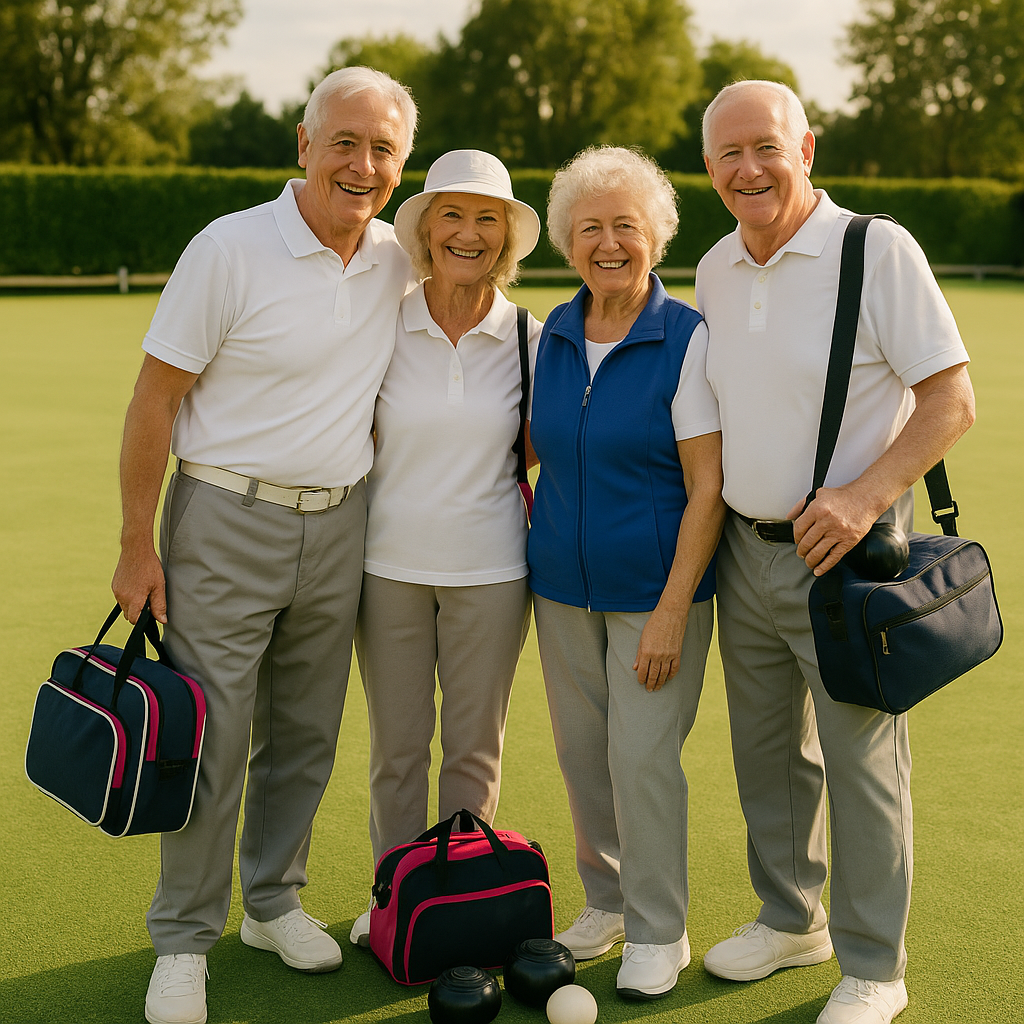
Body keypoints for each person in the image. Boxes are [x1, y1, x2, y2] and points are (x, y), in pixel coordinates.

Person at [110, 66, 417, 1024]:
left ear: (400, 164)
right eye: (345, 142)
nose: (362, 165)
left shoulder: (398, 257)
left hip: (341, 524)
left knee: (308, 735)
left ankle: (272, 901)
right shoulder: (229, 248)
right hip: (223, 520)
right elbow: (154, 399)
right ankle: (183, 938)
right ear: (304, 143)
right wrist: (135, 542)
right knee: (213, 740)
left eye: (383, 150)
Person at [696, 80, 975, 1024]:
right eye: (729, 154)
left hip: (847, 561)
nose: (750, 169)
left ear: (806, 147)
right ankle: (789, 920)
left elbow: (950, 398)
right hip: (744, 551)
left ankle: (873, 968)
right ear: (709, 170)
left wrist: (863, 496)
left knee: (861, 764)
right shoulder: (715, 268)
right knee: (768, 755)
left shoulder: (875, 248)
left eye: (766, 146)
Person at [527, 146, 726, 1001]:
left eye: (626, 227)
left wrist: (675, 606)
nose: (608, 244)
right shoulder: (553, 334)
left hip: (655, 591)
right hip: (559, 591)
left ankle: (658, 929)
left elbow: (707, 486)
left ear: (657, 236)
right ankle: (605, 904)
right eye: (590, 229)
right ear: (568, 243)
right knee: (582, 757)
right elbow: (534, 450)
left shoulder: (687, 338)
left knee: (642, 758)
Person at [347, 150, 542, 944]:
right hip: (386, 570)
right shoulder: (382, 321)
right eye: (451, 217)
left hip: (494, 573)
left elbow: (542, 445)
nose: (468, 233)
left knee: (472, 754)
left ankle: (459, 902)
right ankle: (397, 903)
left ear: (506, 237)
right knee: (397, 754)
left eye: (486, 218)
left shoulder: (532, 336)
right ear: (425, 232)